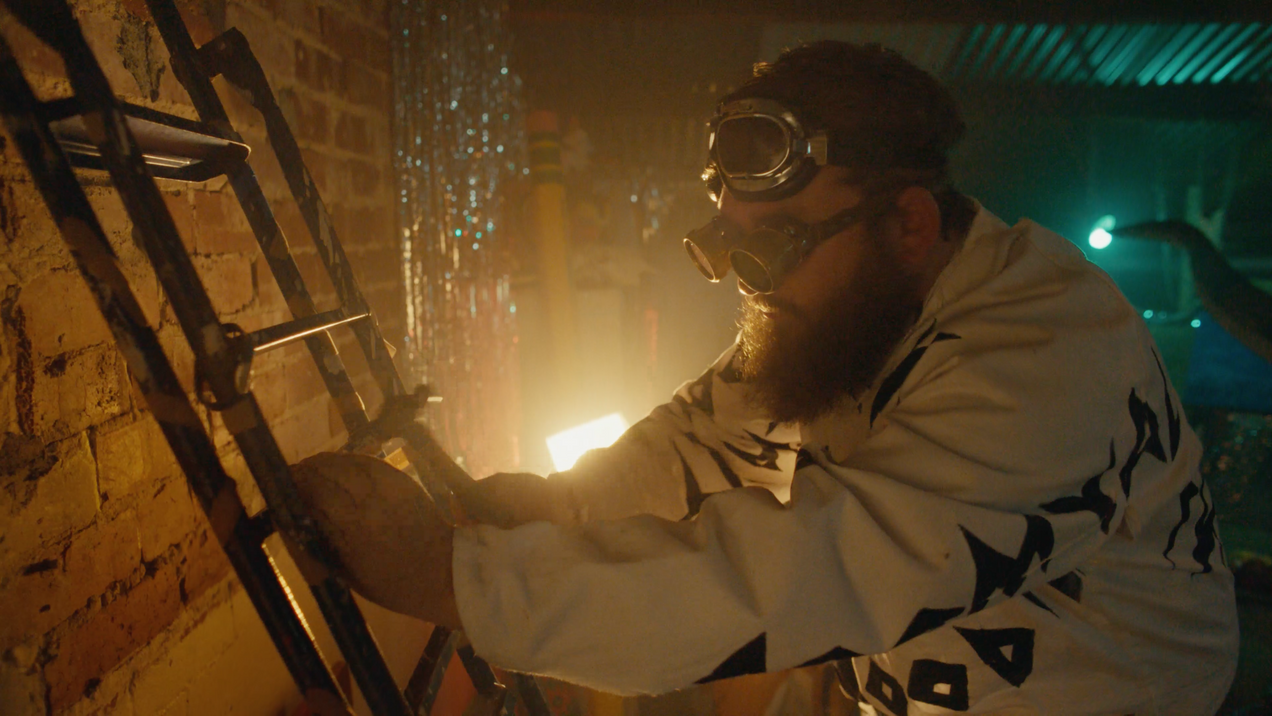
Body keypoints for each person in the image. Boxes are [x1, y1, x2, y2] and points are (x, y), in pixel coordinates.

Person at [293, 42, 1239, 713]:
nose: (752, 288)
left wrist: (457, 581)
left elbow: (816, 573)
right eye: (732, 252)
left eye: (776, 248)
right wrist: (563, 505)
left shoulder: (1046, 358)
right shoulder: (852, 312)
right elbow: (700, 439)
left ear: (909, 223)